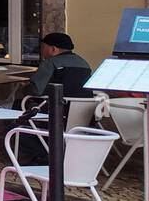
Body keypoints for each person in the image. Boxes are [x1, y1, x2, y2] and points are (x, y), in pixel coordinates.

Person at [16, 32, 93, 165]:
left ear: (53, 49)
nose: (42, 51)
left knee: (18, 107)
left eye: (43, 47)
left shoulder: (51, 63)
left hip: (57, 113)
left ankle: (39, 153)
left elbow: (36, 90)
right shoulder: (84, 63)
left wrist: (25, 87)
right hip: (84, 114)